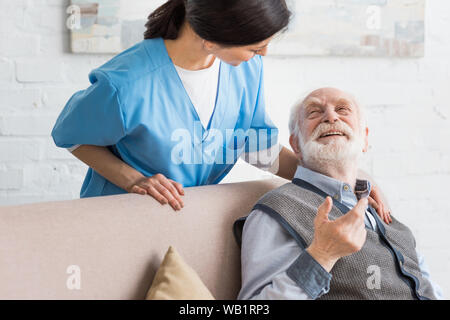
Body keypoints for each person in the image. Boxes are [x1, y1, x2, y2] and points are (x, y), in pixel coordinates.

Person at [51, 0, 387, 215]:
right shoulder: (125, 85)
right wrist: (134, 179)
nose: (264, 54)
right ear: (210, 40)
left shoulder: (244, 68)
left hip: (190, 218)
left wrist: (349, 182)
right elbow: (71, 136)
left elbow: (258, 149)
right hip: (121, 216)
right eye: (256, 47)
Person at [235, 88, 443, 300]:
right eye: (314, 112)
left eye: (343, 109)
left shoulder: (381, 213)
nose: (331, 116)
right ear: (296, 144)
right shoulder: (276, 211)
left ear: (365, 139)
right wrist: (322, 255)